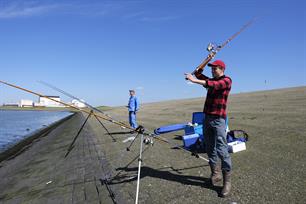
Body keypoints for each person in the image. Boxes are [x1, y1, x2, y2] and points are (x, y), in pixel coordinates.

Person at [185, 60, 232, 197]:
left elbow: (212, 83)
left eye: (214, 69)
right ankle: (215, 175)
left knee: (222, 150)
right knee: (210, 148)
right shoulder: (211, 81)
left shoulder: (226, 81)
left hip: (219, 120)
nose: (212, 71)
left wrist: (193, 80)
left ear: (222, 69)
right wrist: (205, 61)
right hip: (207, 119)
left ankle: (227, 182)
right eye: (211, 69)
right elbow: (200, 74)